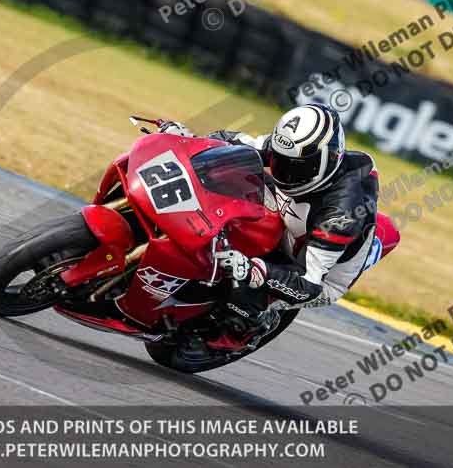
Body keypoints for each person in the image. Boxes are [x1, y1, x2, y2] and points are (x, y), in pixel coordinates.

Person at [161, 103, 380, 335]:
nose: (284, 171)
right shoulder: (294, 150)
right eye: (279, 160)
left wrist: (252, 270)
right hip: (291, 219)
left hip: (312, 272)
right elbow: (237, 145)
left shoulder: (341, 214)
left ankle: (246, 327)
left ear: (326, 160)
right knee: (229, 175)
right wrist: (190, 141)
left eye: (297, 168)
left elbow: (309, 285)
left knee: (239, 289)